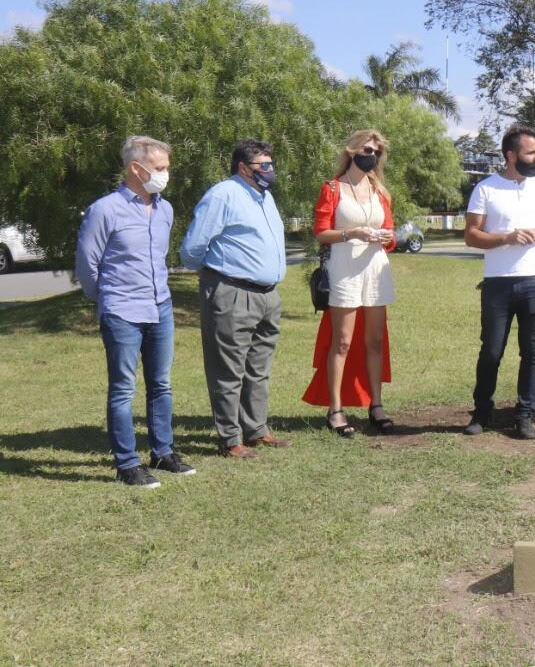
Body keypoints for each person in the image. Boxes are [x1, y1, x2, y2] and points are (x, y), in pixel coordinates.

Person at [76, 136, 195, 488]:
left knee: (161, 384)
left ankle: (162, 452)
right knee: (123, 389)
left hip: (161, 307)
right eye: (159, 168)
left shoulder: (165, 210)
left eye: (166, 168)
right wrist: (110, 299)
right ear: (136, 168)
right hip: (122, 311)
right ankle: (127, 463)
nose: (165, 174)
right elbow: (87, 265)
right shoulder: (105, 210)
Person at [179, 138, 291, 458]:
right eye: (264, 165)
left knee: (258, 368)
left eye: (272, 164)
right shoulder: (223, 194)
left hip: (267, 296)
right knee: (228, 370)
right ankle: (231, 439)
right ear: (244, 167)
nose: (271, 170)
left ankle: (256, 429)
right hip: (233, 293)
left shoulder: (264, 197)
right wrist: (217, 277)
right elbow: (192, 249)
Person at [462, 126, 535, 440]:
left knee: (531, 352)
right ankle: (481, 413)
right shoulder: (486, 189)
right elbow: (471, 235)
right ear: (511, 155)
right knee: (492, 350)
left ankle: (524, 415)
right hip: (498, 284)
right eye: (531, 152)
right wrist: (506, 237)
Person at [301, 130, 398, 436]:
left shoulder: (380, 191)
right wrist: (353, 233)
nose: (372, 155)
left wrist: (386, 237)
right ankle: (336, 409)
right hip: (343, 266)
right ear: (352, 150)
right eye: (368, 149)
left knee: (375, 341)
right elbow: (321, 232)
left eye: (377, 152)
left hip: (375, 267)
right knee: (341, 341)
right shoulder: (332, 188)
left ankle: (376, 405)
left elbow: (391, 234)